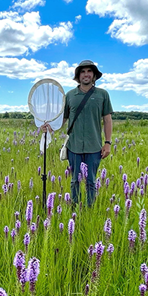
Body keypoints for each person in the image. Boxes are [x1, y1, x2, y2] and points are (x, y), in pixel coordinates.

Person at [42, 59, 113, 207]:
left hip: (94, 146)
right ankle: (74, 208)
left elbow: (107, 120)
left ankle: (89, 209)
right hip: (74, 146)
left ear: (94, 75)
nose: (86, 74)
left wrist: (107, 143)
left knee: (91, 181)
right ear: (78, 76)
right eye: (82, 71)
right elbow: (63, 118)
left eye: (89, 71)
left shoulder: (102, 94)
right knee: (75, 180)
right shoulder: (70, 95)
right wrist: (50, 127)